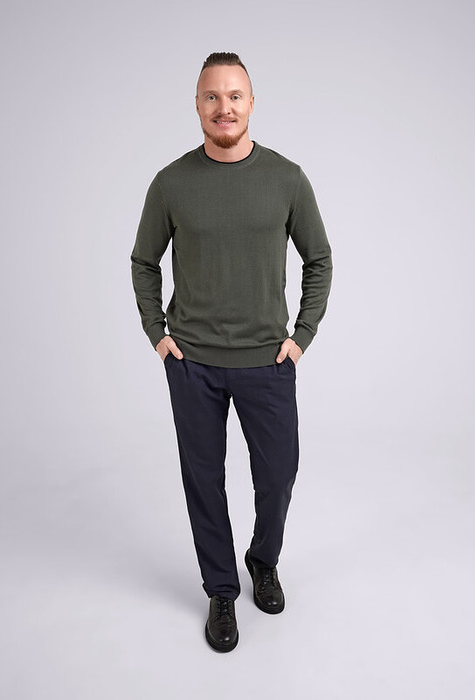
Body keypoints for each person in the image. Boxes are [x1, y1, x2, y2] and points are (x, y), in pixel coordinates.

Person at [131, 52, 332, 652]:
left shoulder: (287, 178)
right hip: (192, 363)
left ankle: (262, 560)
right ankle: (221, 590)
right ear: (197, 105)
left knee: (278, 476)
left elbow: (319, 259)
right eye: (212, 96)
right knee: (204, 481)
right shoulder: (171, 183)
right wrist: (158, 333)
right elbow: (144, 262)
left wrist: (302, 336)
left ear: (251, 103)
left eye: (235, 95)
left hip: (268, 362)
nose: (224, 107)